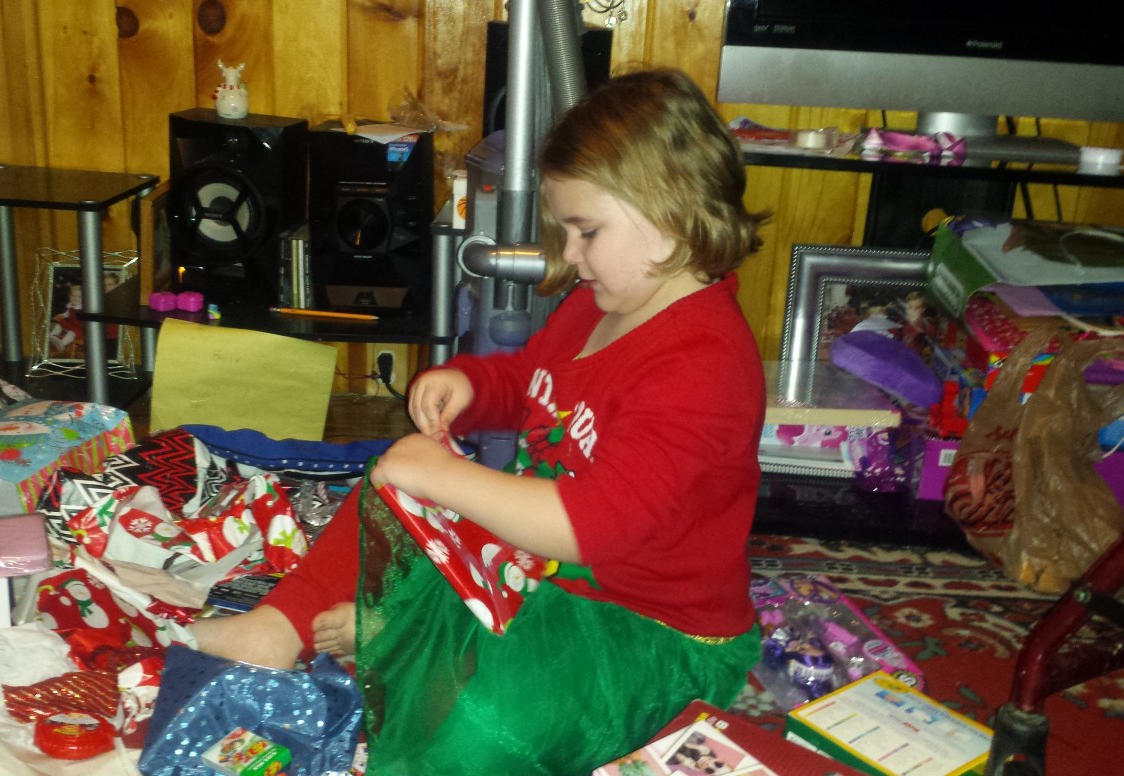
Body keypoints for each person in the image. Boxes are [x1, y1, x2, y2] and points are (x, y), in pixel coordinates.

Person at [190, 66, 770, 774]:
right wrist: (468, 386)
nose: (571, 255)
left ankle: (399, 637)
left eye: (586, 231)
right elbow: (530, 383)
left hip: (646, 629)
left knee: (485, 725)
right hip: (537, 566)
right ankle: (279, 629)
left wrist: (447, 478)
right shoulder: (602, 302)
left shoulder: (705, 363)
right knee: (395, 483)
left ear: (671, 209)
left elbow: (593, 527)